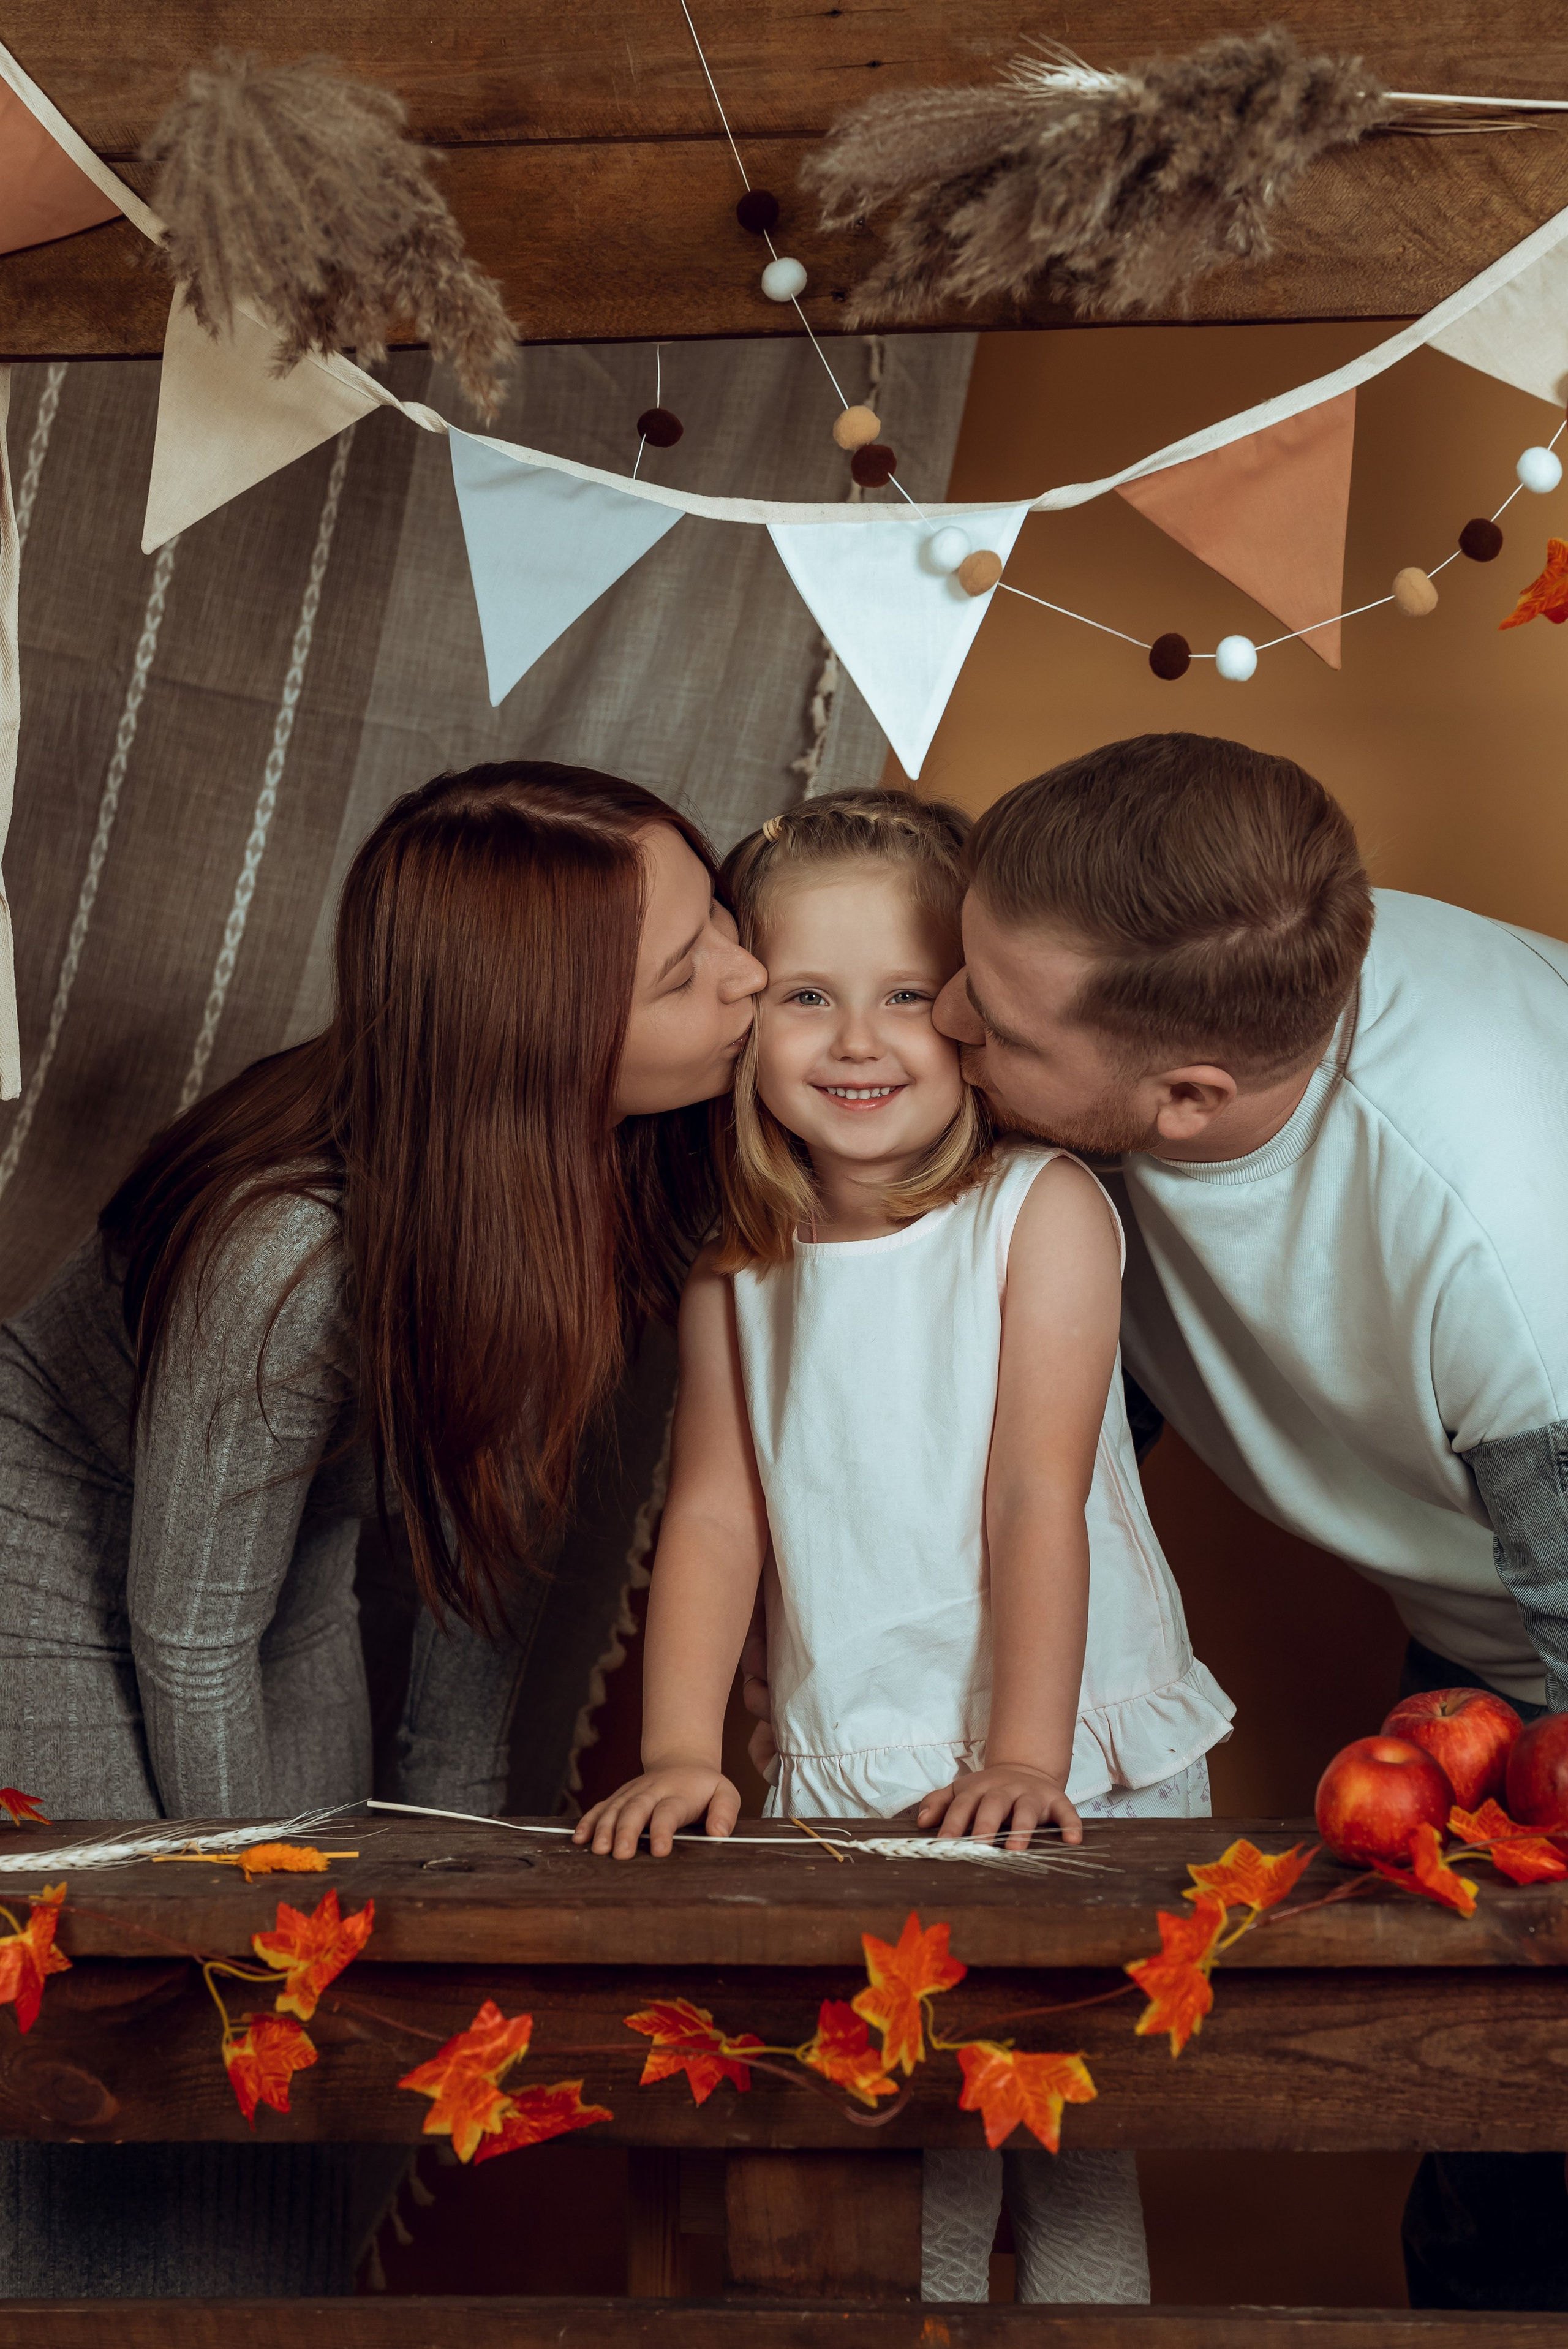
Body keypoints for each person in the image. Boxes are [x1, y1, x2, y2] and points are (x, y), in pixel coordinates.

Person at [0, 760, 764, 2298]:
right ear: (547, 1043)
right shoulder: (292, 1257)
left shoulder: (595, 1162)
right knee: (180, 2008)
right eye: (692, 973)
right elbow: (197, 1631)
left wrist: (451, 1858)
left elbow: (492, 1537)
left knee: (357, 1999)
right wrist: (258, 1934)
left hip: (281, 1557)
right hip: (59, 1530)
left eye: (724, 925)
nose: (751, 976)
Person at [922, 731, 1568, 2313]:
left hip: (1551, 1625)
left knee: (1523, 2180)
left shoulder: (1501, 1249)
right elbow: (1049, 1451)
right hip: (1483, 1610)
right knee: (1484, 2201)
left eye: (986, 1019)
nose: (939, 1019)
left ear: (1189, 1097)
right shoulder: (1213, 973)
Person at [575, 790, 1233, 2306]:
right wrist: (683, 1745)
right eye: (808, 996)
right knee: (896, 2161)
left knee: (1070, 2153)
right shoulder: (738, 1269)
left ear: (974, 1018)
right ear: (750, 1020)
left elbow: (1034, 1494)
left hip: (1070, 1754)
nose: (856, 1041)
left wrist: (1025, 1754)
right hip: (859, 1762)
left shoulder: (1038, 1209)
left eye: (903, 999)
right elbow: (716, 1518)